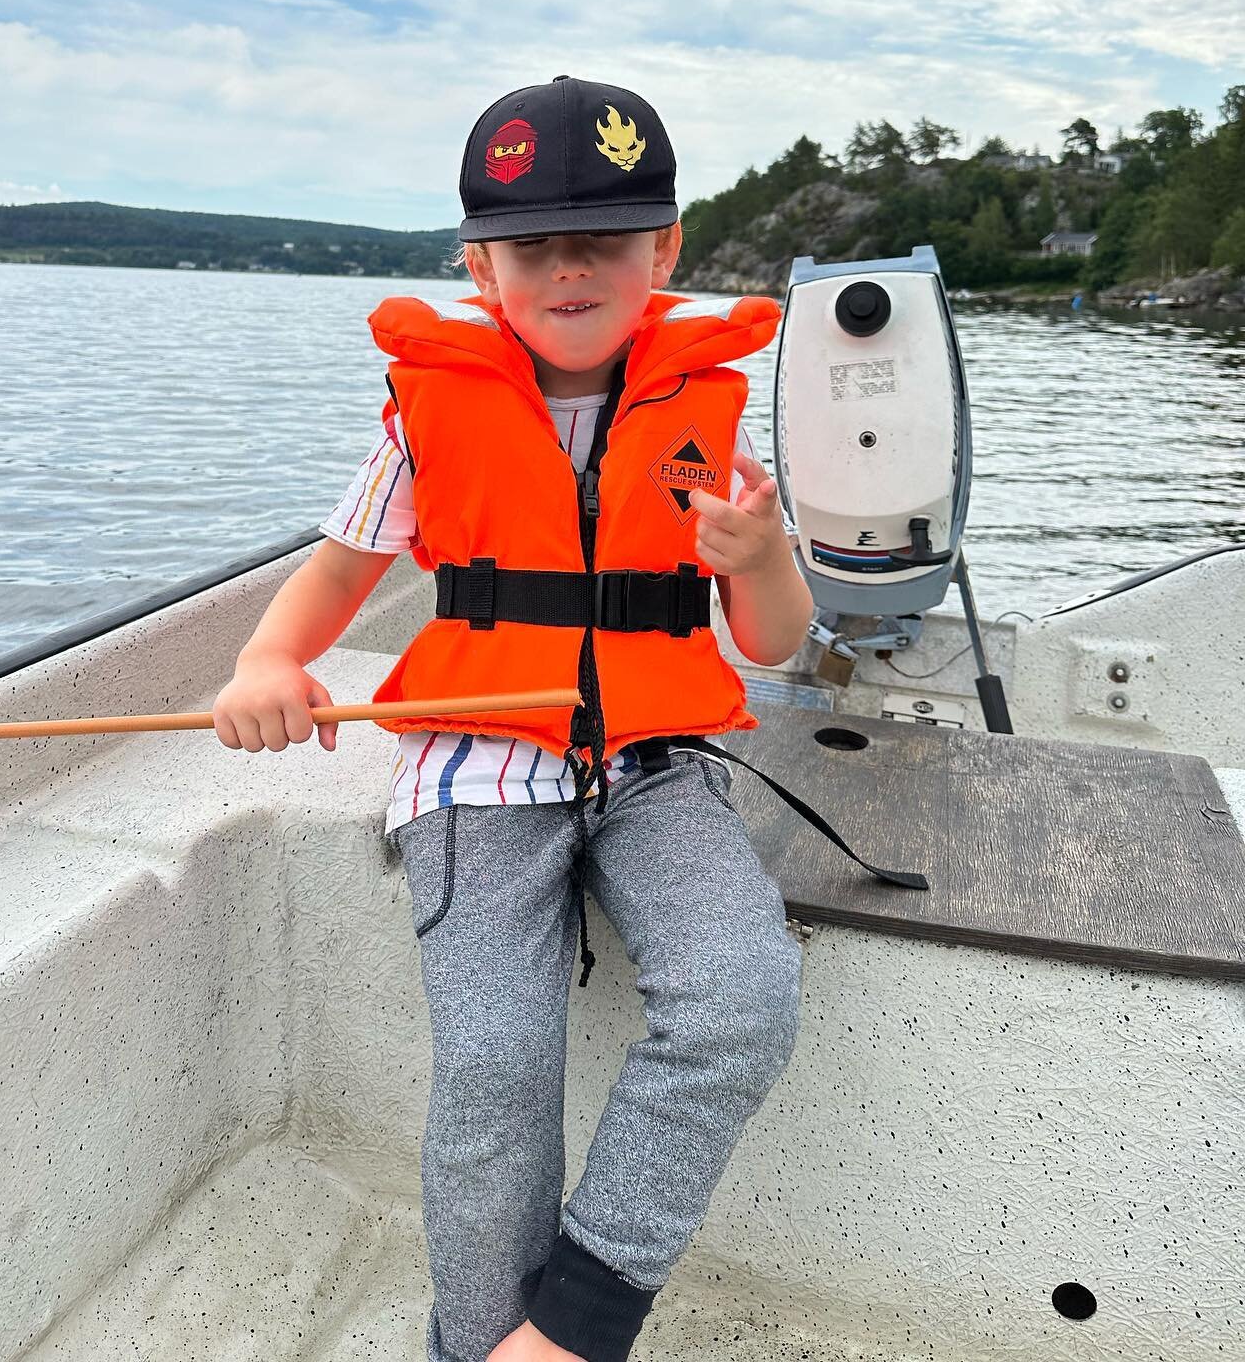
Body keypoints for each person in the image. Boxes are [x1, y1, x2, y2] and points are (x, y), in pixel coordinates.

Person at [212, 75, 909, 1362]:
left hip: (653, 769)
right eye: (535, 243)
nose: (570, 268)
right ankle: (471, 1344)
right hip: (479, 771)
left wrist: (756, 556)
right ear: (482, 263)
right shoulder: (431, 412)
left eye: (607, 238)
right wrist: (268, 662)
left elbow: (767, 640)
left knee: (740, 1000)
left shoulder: (704, 425)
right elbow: (337, 573)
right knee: (494, 1077)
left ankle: (575, 1325)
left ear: (668, 251)